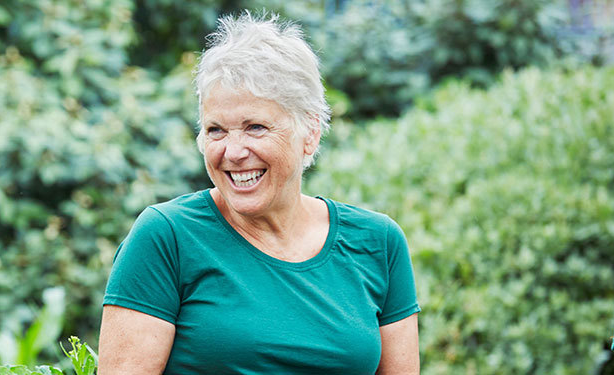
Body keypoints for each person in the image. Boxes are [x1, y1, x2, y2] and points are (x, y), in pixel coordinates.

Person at [98, 11, 420, 374]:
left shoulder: (378, 242)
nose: (233, 152)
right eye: (216, 130)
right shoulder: (166, 237)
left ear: (310, 132)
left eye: (255, 127)